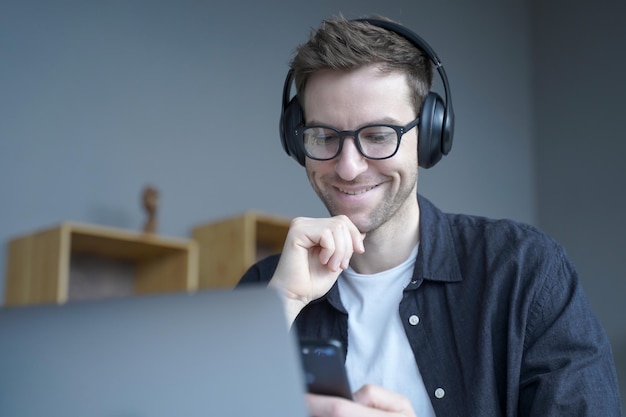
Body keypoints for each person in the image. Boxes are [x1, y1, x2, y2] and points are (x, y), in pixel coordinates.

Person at [237, 15, 622, 416]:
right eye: (324, 136)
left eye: (379, 135)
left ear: (431, 134)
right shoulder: (266, 288)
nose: (348, 167)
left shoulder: (525, 271)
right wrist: (282, 304)